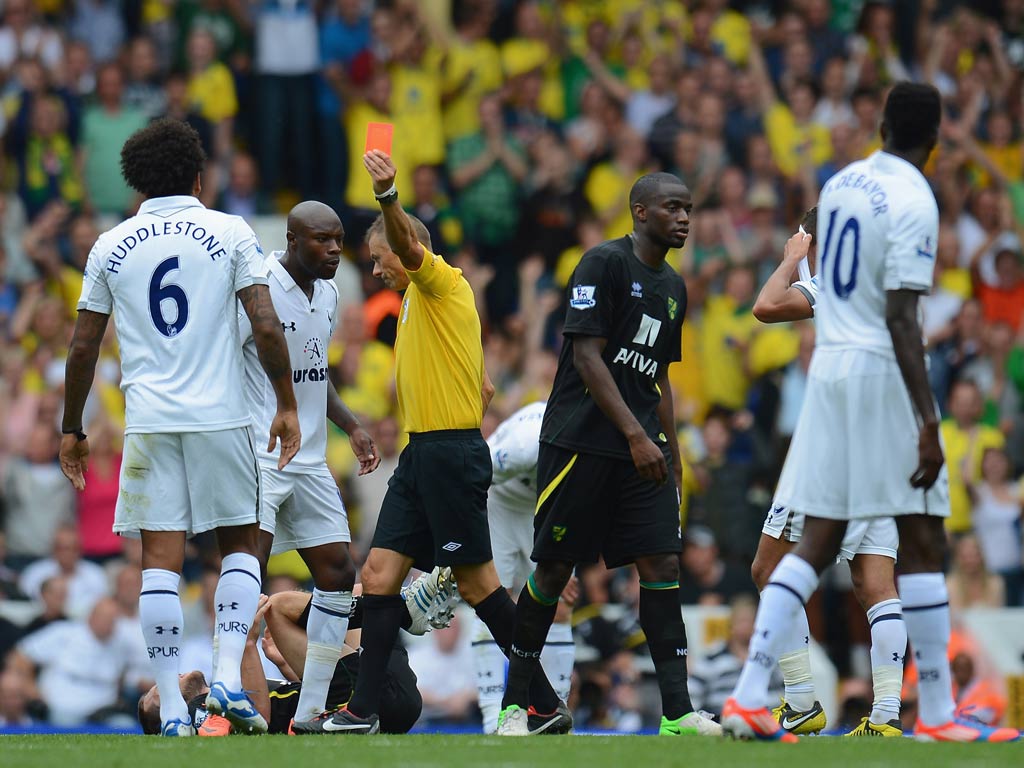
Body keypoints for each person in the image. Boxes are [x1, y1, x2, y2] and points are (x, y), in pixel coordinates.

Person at [721, 82, 1021, 743]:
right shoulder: (916, 199)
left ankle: (926, 715)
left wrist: (797, 253)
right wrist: (927, 419)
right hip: (877, 383)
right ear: (937, 143)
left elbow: (806, 287)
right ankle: (763, 697)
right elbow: (901, 318)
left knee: (891, 542)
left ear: (880, 124)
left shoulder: (841, 185)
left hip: (834, 376)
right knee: (877, 544)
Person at [297, 149, 568, 736]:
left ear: (404, 246)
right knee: (378, 574)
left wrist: (388, 197)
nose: (374, 271)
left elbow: (413, 250)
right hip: (425, 453)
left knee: (478, 586)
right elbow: (484, 380)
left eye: (377, 258)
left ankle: (542, 701)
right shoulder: (421, 303)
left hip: (448, 454)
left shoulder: (440, 280)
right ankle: (361, 712)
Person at [59, 118, 301, 737]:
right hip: (220, 417)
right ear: (199, 175)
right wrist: (286, 403)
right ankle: (224, 678)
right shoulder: (229, 230)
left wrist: (72, 427)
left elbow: (84, 346)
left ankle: (170, 710)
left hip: (149, 423)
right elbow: (267, 326)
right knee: (240, 547)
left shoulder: (110, 246)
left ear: (136, 184)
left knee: (159, 566)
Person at [497, 172, 719, 738]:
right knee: (552, 570)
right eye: (673, 208)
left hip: (642, 452)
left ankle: (676, 715)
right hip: (581, 443)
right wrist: (637, 437)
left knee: (662, 565)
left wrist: (672, 451)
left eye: (689, 209)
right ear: (640, 212)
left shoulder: (674, 286)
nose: (684, 219)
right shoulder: (602, 264)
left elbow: (660, 377)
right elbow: (589, 360)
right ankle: (514, 706)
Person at [748, 208, 908, 737]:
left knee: (768, 570)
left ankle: (800, 704)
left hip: (833, 447)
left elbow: (765, 306)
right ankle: (885, 717)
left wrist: (792, 260)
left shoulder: (832, 281)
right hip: (886, 445)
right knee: (874, 583)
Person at [138, 592, 422, 735]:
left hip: (383, 703)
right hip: (356, 703)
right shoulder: (193, 711)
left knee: (355, 596)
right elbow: (259, 719)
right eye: (158, 690)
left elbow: (294, 700)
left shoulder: (219, 692)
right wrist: (248, 642)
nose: (170, 676)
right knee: (279, 606)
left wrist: (283, 664)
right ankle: (412, 605)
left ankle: (410, 606)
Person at [471, 402, 576, 733]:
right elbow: (477, 472)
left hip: (547, 511)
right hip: (499, 499)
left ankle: (553, 708)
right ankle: (492, 714)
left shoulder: (594, 444)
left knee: (560, 603)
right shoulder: (523, 446)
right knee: (490, 598)